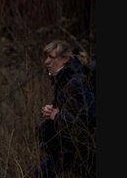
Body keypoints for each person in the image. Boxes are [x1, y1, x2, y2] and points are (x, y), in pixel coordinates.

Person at [35, 40, 95, 178]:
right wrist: (51, 111)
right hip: (67, 149)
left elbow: (89, 119)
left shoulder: (76, 81)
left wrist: (57, 116)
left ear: (65, 59)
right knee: (41, 173)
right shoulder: (61, 80)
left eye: (51, 57)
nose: (46, 62)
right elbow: (69, 110)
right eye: (46, 57)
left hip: (83, 151)